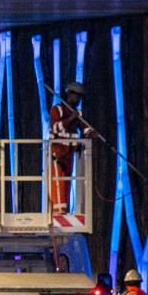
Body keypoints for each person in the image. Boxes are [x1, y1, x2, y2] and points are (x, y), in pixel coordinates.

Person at [48, 83, 90, 213]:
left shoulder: (78, 113)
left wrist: (91, 133)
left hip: (69, 154)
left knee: (66, 183)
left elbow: (85, 127)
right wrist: (70, 119)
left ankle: (63, 210)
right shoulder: (57, 110)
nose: (77, 100)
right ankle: (58, 212)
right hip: (57, 153)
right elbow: (55, 128)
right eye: (76, 97)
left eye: (80, 98)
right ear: (69, 94)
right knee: (58, 183)